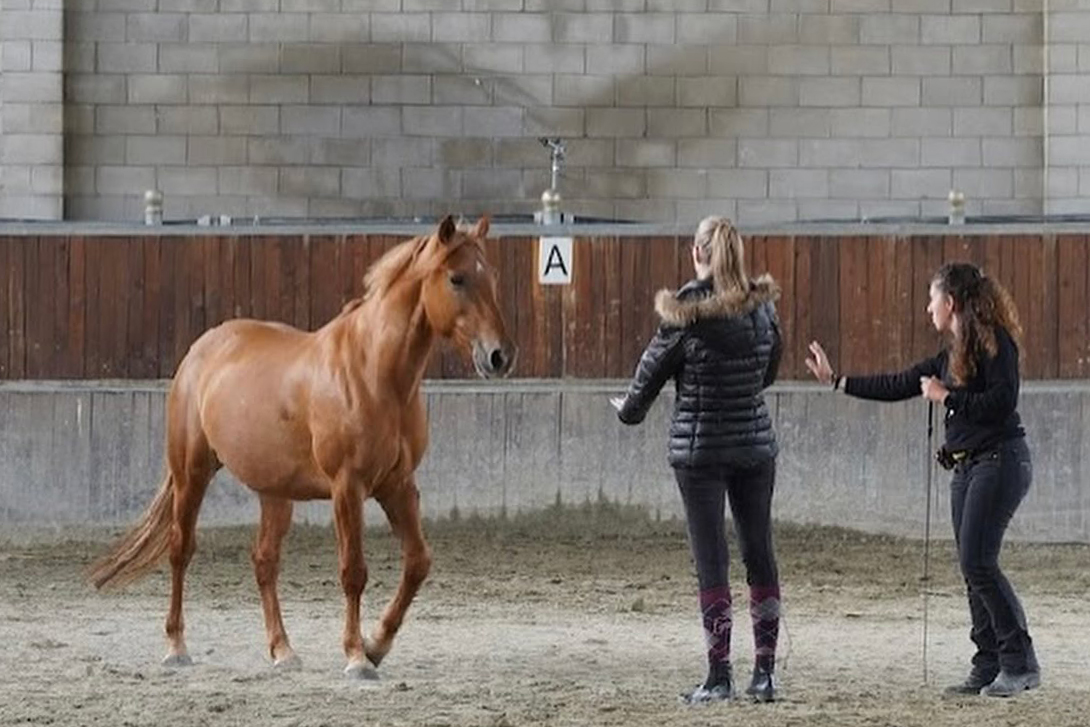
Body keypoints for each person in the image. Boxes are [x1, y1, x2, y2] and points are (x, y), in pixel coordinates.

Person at [805, 261, 1040, 698]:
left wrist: (947, 396)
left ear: (950, 302)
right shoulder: (950, 356)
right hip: (967, 466)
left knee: (978, 563)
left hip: (1000, 461)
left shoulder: (996, 345)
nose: (927, 307)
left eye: (931, 298)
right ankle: (988, 663)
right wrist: (836, 381)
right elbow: (898, 383)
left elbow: (1003, 402)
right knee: (973, 568)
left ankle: (1019, 662)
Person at [612, 216, 783, 703]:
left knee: (713, 563)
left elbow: (647, 377)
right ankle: (765, 674)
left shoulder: (687, 310)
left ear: (696, 253)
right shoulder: (763, 309)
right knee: (760, 555)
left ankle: (719, 675)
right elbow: (769, 369)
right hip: (754, 446)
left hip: (701, 451)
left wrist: (629, 412)